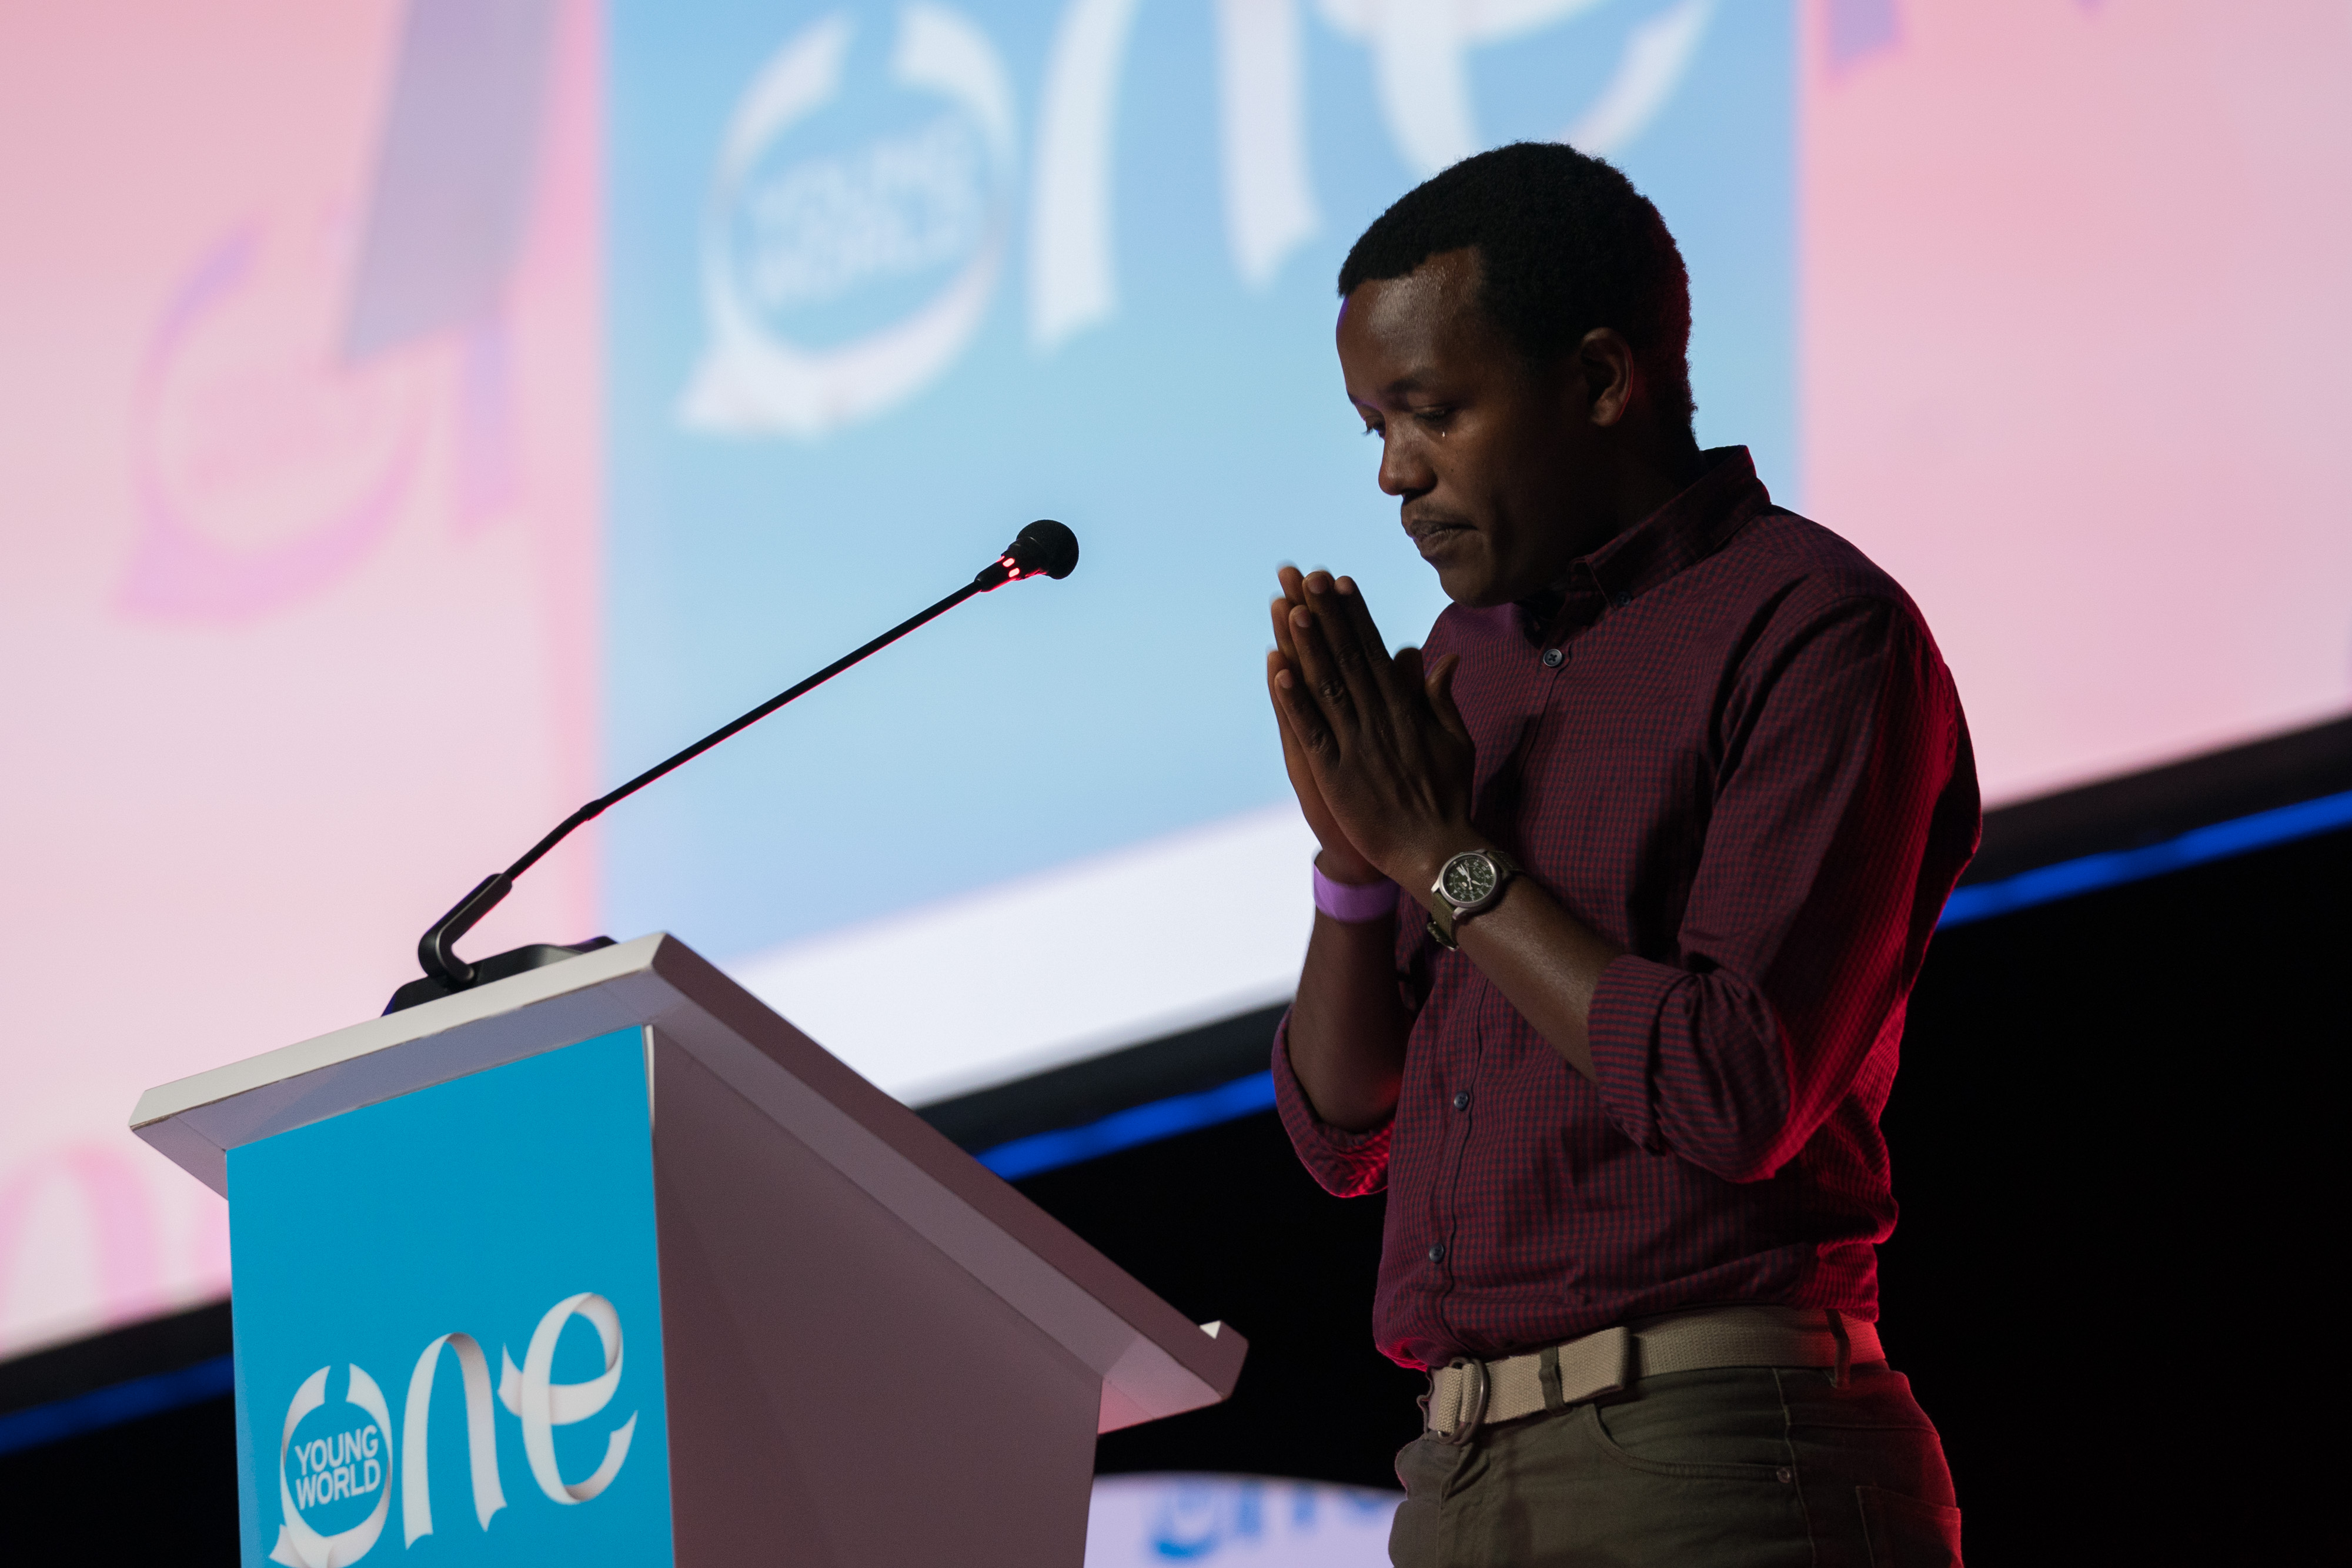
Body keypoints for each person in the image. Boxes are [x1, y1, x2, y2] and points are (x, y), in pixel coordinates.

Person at [1264, 142, 1978, 1567]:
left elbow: (1731, 1085)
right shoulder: (1464, 667)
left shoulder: (1812, 628)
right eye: (1373, 429)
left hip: (1718, 1448)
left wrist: (1441, 854)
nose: (1397, 474)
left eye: (1434, 412)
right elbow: (1344, 1134)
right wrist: (1354, 864)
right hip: (1457, 1471)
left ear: (1598, 380)